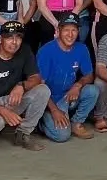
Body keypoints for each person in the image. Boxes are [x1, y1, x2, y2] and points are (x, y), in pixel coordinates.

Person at [0, 21, 48, 151]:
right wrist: (3, 111)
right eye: (9, 37)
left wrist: (21, 85)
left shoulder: (25, 50)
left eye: (18, 37)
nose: (14, 42)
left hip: (11, 99)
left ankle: (23, 133)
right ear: (0, 39)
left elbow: (36, 78)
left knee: (43, 90)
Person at [34, 12, 99, 142]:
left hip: (69, 96)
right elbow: (39, 86)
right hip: (50, 100)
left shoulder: (81, 48)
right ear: (58, 31)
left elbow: (89, 75)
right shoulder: (46, 51)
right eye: (66, 30)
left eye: (74, 30)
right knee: (62, 136)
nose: (70, 34)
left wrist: (78, 85)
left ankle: (76, 122)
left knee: (93, 90)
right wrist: (54, 110)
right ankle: (41, 122)